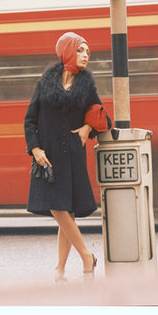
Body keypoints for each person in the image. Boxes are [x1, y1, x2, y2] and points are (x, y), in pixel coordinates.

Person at [24, 32, 111, 283]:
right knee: (58, 208)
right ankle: (86, 256)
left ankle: (60, 269)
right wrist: (35, 148)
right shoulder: (45, 83)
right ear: (68, 52)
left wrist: (86, 128)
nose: (86, 55)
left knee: (66, 212)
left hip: (72, 156)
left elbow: (100, 115)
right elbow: (30, 120)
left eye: (87, 51)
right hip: (48, 157)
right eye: (81, 50)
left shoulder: (86, 84)